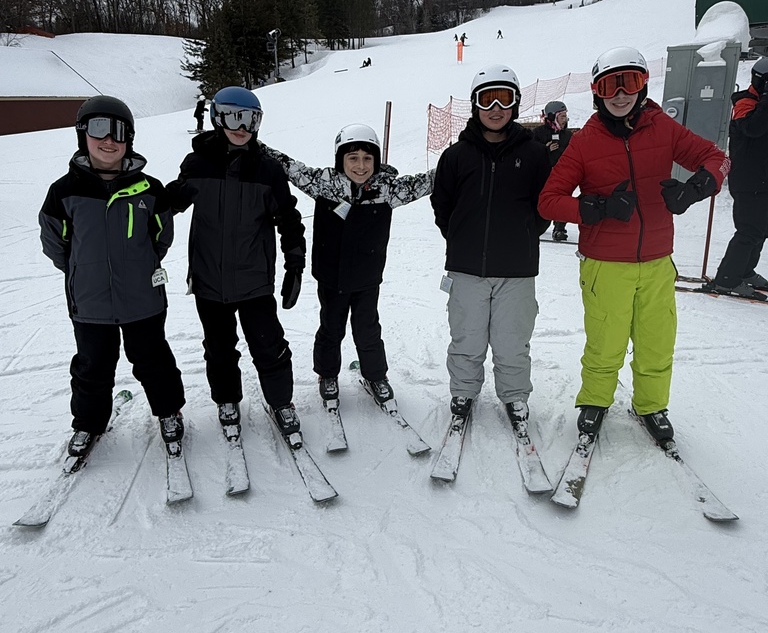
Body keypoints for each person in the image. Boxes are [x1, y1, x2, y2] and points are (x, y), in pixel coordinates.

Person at [537, 47, 730, 444]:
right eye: (611, 85)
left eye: (631, 82)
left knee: (657, 341)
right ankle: (594, 401)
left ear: (643, 87)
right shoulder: (585, 142)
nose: (620, 94)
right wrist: (596, 208)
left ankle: (652, 405)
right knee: (606, 342)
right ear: (597, 92)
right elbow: (549, 200)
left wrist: (696, 188)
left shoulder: (663, 128)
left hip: (658, 260)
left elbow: (716, 157)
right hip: (605, 264)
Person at [39, 95, 186, 455]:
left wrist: (137, 266)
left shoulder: (149, 189)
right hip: (90, 302)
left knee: (153, 359)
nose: (109, 140)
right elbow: (54, 243)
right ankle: (88, 425)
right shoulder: (64, 192)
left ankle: (169, 412)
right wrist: (83, 270)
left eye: (118, 132)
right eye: (98, 129)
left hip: (142, 298)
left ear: (129, 139)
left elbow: (161, 238)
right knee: (92, 366)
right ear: (83, 135)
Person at [167, 87, 306, 438]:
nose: (240, 126)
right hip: (208, 279)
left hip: (254, 279)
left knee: (268, 344)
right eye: (232, 116)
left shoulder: (268, 171)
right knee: (219, 348)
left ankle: (280, 401)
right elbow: (167, 206)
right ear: (217, 117)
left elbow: (288, 219)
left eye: (249, 118)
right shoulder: (198, 164)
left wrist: (295, 264)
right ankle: (227, 399)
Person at [260, 125, 434, 405]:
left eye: (367, 158)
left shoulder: (386, 189)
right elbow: (289, 167)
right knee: (331, 327)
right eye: (353, 157)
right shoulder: (325, 184)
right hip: (332, 277)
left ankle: (375, 375)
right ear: (340, 159)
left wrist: (458, 161)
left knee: (367, 329)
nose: (361, 165)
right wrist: (255, 145)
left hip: (367, 277)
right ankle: (327, 374)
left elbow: (428, 181)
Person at [430, 64, 551, 432]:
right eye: (487, 99)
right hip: (467, 268)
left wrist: (526, 234)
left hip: (516, 269)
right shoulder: (455, 156)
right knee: (466, 336)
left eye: (504, 98)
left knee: (513, 340)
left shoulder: (533, 154)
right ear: (475, 105)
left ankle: (514, 395)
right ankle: (464, 392)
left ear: (515, 104)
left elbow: (543, 207)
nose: (496, 107)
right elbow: (443, 206)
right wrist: (462, 239)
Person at [706, 56, 768, 300]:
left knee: (761, 229)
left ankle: (745, 271)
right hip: (749, 180)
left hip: (763, 179)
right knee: (749, 230)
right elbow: (753, 128)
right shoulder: (745, 102)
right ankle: (726, 280)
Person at [532, 100, 575, 241]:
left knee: (562, 200)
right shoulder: (538, 133)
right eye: (562, 116)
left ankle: (559, 228)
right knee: (539, 200)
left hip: (561, 175)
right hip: (542, 174)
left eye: (565, 116)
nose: (565, 120)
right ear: (552, 117)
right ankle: (536, 224)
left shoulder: (567, 136)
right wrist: (545, 149)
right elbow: (530, 153)